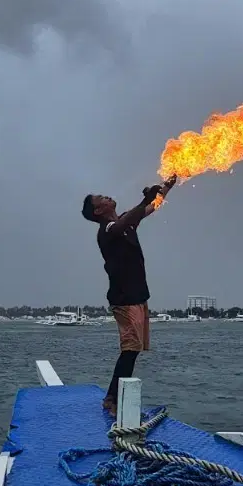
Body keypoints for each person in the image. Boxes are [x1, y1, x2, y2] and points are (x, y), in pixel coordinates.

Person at [81, 176, 177, 417]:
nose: (107, 196)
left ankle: (114, 398)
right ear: (99, 210)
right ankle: (112, 400)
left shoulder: (125, 221)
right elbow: (126, 222)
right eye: (101, 198)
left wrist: (165, 188)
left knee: (134, 350)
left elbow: (148, 209)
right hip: (124, 299)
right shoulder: (107, 230)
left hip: (138, 295)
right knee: (130, 348)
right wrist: (146, 197)